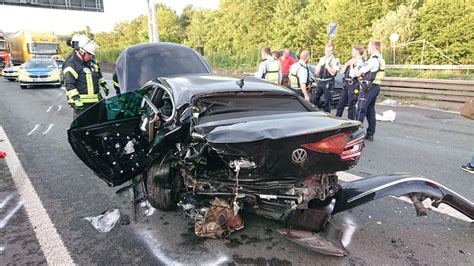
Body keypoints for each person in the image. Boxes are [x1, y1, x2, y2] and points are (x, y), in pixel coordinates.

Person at [63, 34, 104, 119]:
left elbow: (95, 74)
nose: (91, 56)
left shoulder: (89, 62)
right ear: (81, 52)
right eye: (89, 54)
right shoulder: (71, 64)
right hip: (81, 105)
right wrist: (76, 99)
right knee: (82, 129)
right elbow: (69, 84)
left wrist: (102, 83)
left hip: (94, 102)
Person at [355, 40, 386, 141]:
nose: (368, 48)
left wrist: (360, 72)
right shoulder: (381, 59)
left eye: (369, 46)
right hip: (375, 87)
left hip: (368, 87)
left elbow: (359, 72)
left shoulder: (373, 60)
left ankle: (356, 133)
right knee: (370, 111)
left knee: (361, 109)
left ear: (374, 47)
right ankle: (370, 133)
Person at [336, 45, 365, 119]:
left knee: (351, 106)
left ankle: (350, 122)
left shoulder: (360, 62)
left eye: (353, 50)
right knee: (340, 104)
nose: (352, 52)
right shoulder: (352, 60)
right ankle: (336, 119)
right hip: (346, 84)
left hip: (353, 85)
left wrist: (351, 64)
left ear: (357, 51)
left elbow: (353, 74)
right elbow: (342, 71)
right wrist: (347, 63)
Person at [312, 43, 340, 113]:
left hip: (328, 82)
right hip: (321, 81)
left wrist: (328, 66)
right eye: (326, 50)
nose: (328, 52)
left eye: (329, 51)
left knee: (327, 101)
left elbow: (333, 73)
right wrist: (320, 64)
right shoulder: (322, 59)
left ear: (332, 51)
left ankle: (327, 115)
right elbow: (316, 72)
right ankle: (314, 113)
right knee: (315, 99)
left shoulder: (335, 60)